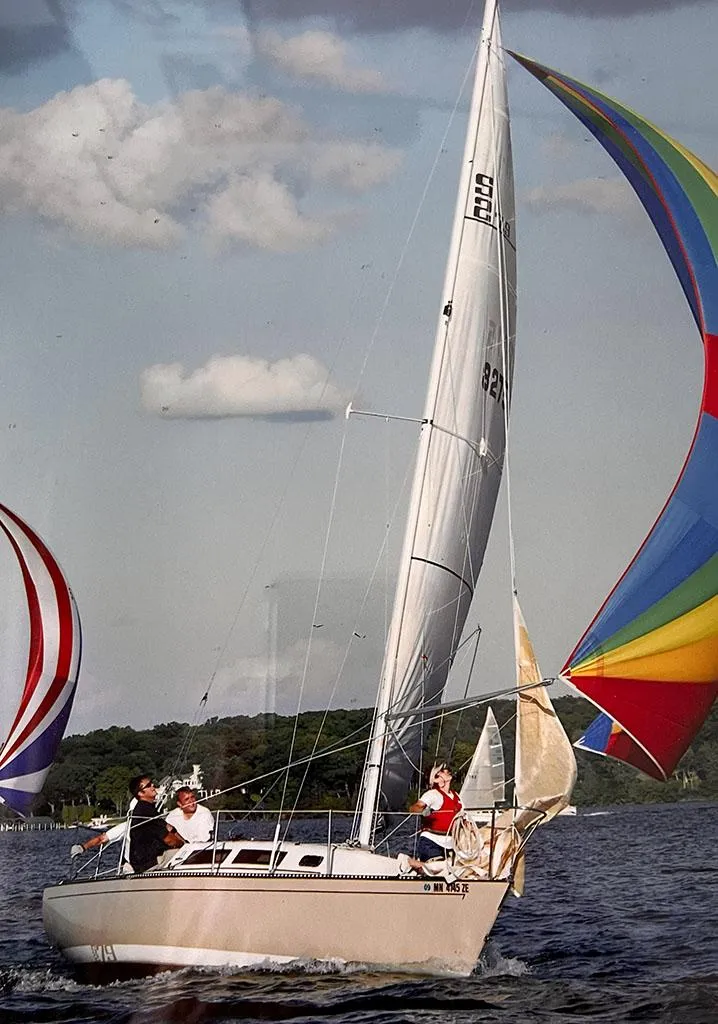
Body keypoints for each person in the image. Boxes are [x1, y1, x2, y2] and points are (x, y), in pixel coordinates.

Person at [404, 763, 462, 873]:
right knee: (440, 870)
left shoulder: (457, 796)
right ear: (436, 778)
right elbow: (415, 807)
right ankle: (410, 862)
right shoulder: (432, 794)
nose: (447, 771)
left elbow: (464, 817)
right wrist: (422, 810)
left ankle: (421, 866)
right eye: (443, 771)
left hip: (451, 843)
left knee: (456, 868)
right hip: (431, 842)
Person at [127, 774, 184, 872]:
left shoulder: (147, 808)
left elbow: (169, 828)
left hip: (151, 859)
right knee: (187, 855)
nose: (153, 785)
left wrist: (184, 841)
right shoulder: (145, 812)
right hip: (149, 862)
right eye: (149, 785)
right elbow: (169, 840)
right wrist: (184, 845)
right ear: (140, 793)